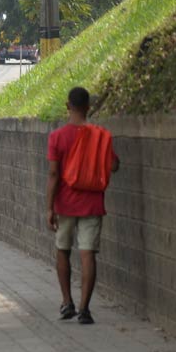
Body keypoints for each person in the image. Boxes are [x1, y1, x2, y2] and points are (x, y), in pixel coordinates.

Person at [46, 87, 118, 325]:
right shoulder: (100, 135)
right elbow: (114, 165)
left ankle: (67, 303)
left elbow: (54, 173)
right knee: (88, 254)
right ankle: (85, 309)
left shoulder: (57, 137)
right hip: (92, 203)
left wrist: (49, 207)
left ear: (68, 106)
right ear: (89, 107)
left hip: (65, 203)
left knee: (63, 250)